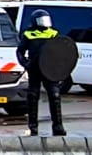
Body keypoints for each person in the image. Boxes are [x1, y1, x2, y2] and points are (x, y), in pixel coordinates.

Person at [17, 9, 66, 137]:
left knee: (55, 96)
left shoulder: (53, 33)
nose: (44, 22)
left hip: (49, 69)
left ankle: (58, 125)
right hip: (34, 68)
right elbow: (20, 51)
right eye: (41, 20)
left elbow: (61, 51)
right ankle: (33, 126)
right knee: (33, 96)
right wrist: (25, 63)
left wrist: (60, 67)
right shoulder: (29, 34)